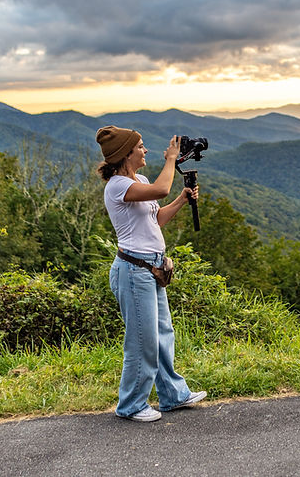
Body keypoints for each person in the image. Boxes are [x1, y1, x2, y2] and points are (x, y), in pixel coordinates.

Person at [96, 125, 207, 422]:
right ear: (125, 154)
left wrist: (182, 200)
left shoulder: (140, 179)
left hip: (151, 268)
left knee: (161, 335)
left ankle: (173, 395)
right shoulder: (117, 186)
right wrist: (171, 159)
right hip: (133, 271)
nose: (145, 150)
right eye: (140, 146)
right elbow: (161, 188)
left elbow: (155, 218)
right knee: (142, 340)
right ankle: (131, 405)